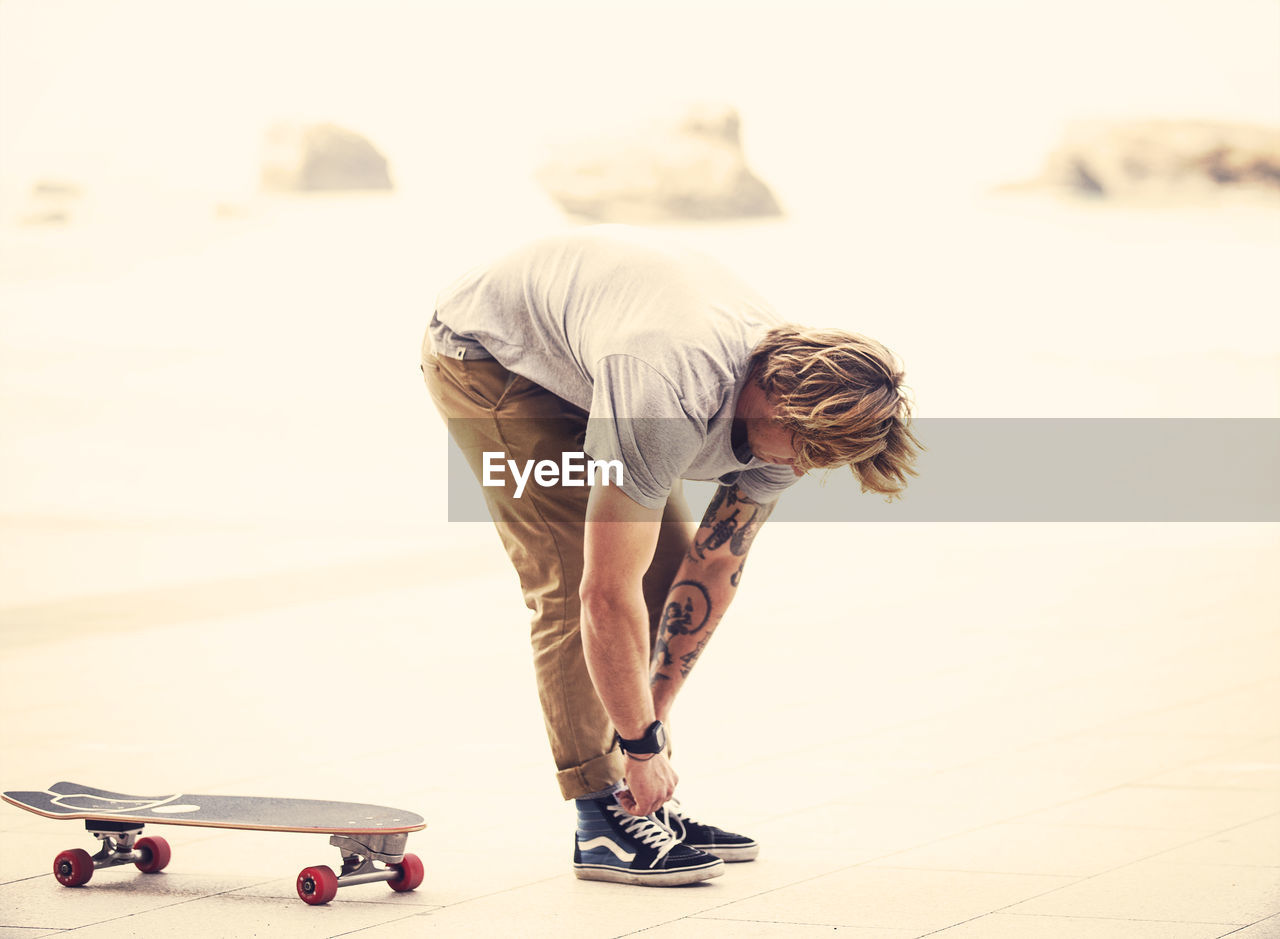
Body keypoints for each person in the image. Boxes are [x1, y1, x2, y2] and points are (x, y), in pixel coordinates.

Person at [421, 225, 919, 887]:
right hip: (492, 355)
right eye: (799, 444)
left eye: (820, 457)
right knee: (579, 576)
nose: (800, 464)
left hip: (596, 352)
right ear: (770, 394)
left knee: (666, 570)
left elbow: (713, 566)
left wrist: (648, 727)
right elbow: (603, 593)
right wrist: (638, 743)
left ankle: (640, 797)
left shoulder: (803, 422)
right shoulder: (670, 387)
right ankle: (601, 817)